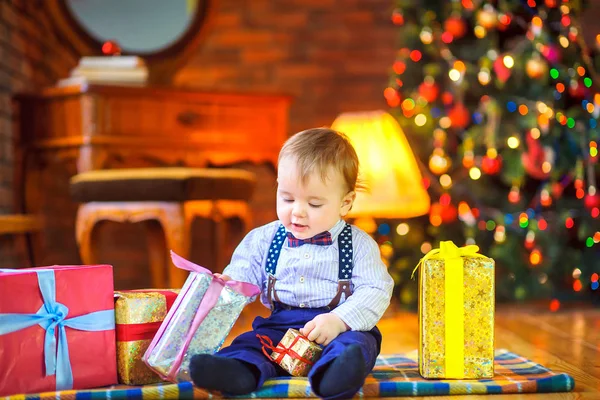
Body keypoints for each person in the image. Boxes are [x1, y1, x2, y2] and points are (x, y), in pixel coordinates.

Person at [189, 128, 394, 400]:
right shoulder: (263, 239)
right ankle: (237, 372)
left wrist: (340, 320)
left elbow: (376, 290)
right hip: (279, 328)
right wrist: (229, 286)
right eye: (287, 198)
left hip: (336, 327)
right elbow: (243, 276)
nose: (297, 211)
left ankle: (335, 376)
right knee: (250, 344)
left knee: (357, 343)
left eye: (314, 203)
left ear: (345, 203)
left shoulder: (359, 245)